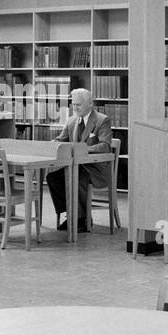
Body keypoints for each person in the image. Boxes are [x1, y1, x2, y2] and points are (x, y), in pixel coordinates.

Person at [47, 89, 113, 232]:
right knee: (53, 177)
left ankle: (81, 220)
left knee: (76, 175)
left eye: (79, 105)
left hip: (95, 168)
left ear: (90, 104)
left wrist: (83, 149)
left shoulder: (102, 120)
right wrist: (51, 144)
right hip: (76, 166)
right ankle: (71, 214)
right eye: (73, 104)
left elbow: (105, 146)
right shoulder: (71, 121)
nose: (75, 108)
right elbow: (61, 140)